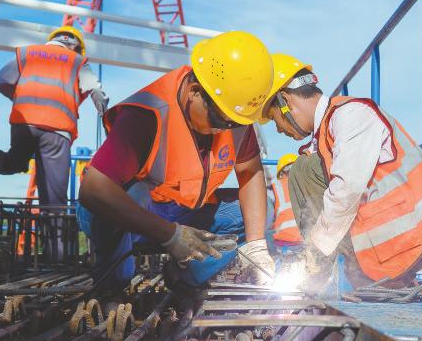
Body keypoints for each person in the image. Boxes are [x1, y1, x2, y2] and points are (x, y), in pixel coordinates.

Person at [76, 31, 276, 291]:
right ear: (194, 92)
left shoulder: (234, 118)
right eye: (220, 120)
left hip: (184, 211)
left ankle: (185, 277)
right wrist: (170, 235)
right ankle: (113, 286)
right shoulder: (148, 114)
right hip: (133, 214)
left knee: (261, 210)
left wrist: (257, 244)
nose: (225, 129)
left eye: (235, 123)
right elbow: (94, 190)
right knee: (134, 193)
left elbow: (250, 171)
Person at [260, 53, 422, 288]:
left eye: (274, 120)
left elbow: (347, 188)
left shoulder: (351, 115)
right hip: (395, 233)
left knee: (305, 169)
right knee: (305, 167)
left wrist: (315, 253)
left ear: (285, 101)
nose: (279, 130)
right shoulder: (326, 134)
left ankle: (321, 269)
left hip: (412, 233)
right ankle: (333, 270)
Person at [0, 25, 107, 207]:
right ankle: (54, 225)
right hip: (58, 129)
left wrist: (22, 100)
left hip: (24, 124)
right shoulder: (77, 61)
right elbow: (96, 90)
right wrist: (105, 114)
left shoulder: (28, 53)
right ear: (76, 46)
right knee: (54, 195)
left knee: (17, 161)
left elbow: (1, 81)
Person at [270, 153, 302, 250]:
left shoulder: (274, 188)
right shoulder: (310, 183)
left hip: (284, 243)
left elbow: (267, 220)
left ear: (281, 173)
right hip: (308, 241)